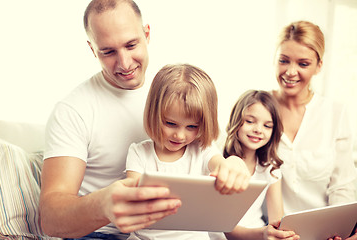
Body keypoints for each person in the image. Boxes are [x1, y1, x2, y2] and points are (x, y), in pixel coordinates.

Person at [39, 1, 183, 239]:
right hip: (101, 234)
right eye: (108, 52)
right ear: (92, 50)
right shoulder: (73, 110)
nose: (125, 63)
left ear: (147, 34)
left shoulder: (174, 94)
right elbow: (51, 218)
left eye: (131, 45)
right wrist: (103, 205)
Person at [125, 63, 251, 240]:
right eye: (170, 123)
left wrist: (234, 163)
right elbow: (133, 199)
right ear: (154, 113)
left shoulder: (202, 150)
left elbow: (221, 165)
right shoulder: (139, 153)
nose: (180, 135)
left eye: (192, 126)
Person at [271, 20, 357, 240]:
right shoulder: (258, 110)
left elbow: (342, 187)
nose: (290, 72)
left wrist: (340, 229)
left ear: (319, 66)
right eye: (283, 61)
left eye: (303, 64)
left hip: (323, 234)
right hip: (271, 233)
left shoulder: (335, 114)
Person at [222, 90, 299, 240]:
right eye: (250, 121)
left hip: (260, 234)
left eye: (267, 126)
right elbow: (224, 228)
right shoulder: (219, 162)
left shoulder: (270, 169)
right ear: (236, 121)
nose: (258, 130)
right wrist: (263, 234)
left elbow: (277, 221)